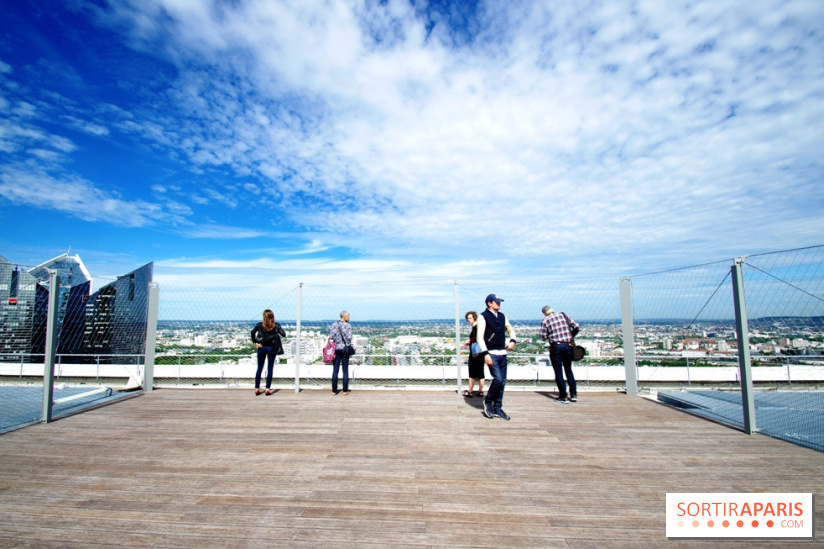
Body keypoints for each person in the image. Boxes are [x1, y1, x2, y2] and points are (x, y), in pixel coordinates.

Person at [475, 294, 516, 420]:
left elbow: (510, 330)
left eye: (499, 302)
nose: (499, 303)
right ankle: (488, 403)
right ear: (489, 303)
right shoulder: (483, 317)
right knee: (498, 379)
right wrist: (486, 353)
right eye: (496, 302)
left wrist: (513, 340)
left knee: (502, 382)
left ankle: (498, 407)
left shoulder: (502, 316)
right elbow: (479, 337)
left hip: (502, 353)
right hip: (491, 353)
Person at [540, 305, 580, 403]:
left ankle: (563, 396)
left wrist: (551, 335)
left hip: (556, 347)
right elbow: (576, 326)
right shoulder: (563, 316)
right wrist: (570, 336)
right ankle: (573, 394)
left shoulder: (545, 320)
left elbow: (543, 336)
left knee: (558, 371)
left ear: (545, 313)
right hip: (568, 345)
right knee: (568, 370)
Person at [251, 309, 286, 396]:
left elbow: (252, 332)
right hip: (271, 348)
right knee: (270, 368)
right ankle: (267, 389)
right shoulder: (276, 326)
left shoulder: (259, 325)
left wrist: (255, 342)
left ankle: (257, 388)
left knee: (259, 368)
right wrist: (277, 330)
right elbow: (283, 334)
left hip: (261, 348)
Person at [461, 311, 486, 397]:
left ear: (474, 317)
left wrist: (469, 341)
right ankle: (480, 391)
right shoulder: (478, 326)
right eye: (468, 318)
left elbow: (476, 338)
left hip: (475, 353)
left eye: (470, 318)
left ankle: (470, 390)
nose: (469, 320)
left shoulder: (476, 327)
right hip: (481, 352)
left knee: (472, 372)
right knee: (480, 371)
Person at [329, 310, 353, 395]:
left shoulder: (334, 325)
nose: (349, 317)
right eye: (348, 316)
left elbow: (331, 336)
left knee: (335, 370)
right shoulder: (348, 326)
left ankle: (334, 390)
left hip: (336, 349)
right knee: (345, 370)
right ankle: (345, 390)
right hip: (345, 349)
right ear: (344, 316)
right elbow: (349, 337)